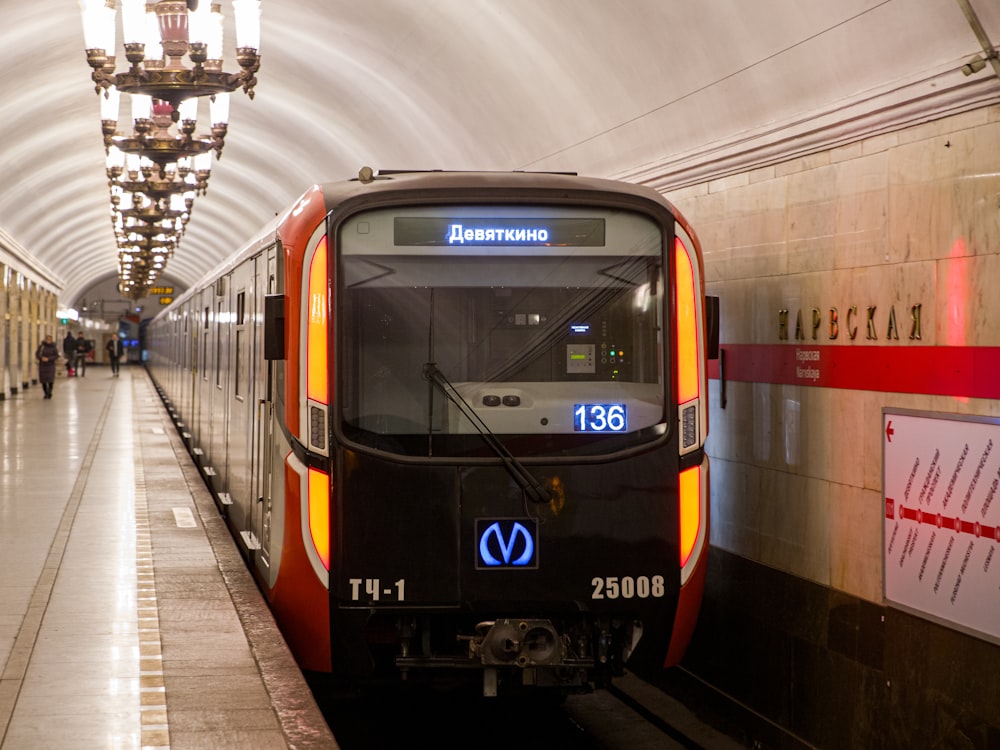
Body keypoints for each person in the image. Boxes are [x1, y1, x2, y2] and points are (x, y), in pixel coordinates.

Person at [36, 334, 60, 399]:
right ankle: (45, 393)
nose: (48, 341)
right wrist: (41, 358)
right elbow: (37, 354)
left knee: (50, 380)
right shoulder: (41, 347)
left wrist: (49, 359)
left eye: (50, 339)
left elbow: (56, 356)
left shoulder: (54, 347)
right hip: (42, 365)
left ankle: (49, 392)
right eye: (47, 339)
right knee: (43, 380)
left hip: (50, 365)